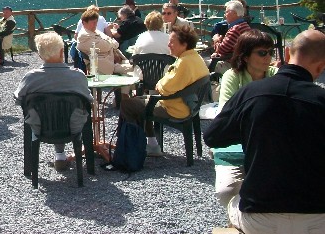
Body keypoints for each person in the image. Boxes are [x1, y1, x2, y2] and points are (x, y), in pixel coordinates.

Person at [204, 30, 325, 233]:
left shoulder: (250, 93)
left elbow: (213, 136)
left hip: (259, 218)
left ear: (286, 54)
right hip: (317, 218)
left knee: (230, 194)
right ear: (321, 67)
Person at [213, 30, 279, 208]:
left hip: (272, 146)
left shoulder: (276, 75)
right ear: (246, 56)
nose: (268, 57)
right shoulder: (232, 77)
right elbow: (224, 115)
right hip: (236, 145)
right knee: (227, 191)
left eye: (270, 52)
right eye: (262, 52)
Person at [119, 25, 209, 156]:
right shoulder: (195, 57)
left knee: (127, 104)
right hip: (190, 105)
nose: (169, 44)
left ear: (184, 44)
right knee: (137, 101)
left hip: (176, 108)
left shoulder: (184, 63)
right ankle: (148, 144)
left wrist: (159, 84)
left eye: (172, 41)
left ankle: (135, 149)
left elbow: (165, 89)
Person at [14, 32, 94, 171]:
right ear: (62, 51)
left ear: (40, 55)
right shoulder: (78, 76)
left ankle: (59, 156)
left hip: (41, 127)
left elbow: (18, 99)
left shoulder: (31, 78)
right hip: (73, 127)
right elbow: (88, 100)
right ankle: (66, 157)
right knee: (69, 112)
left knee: (50, 113)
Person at [76, 8, 131, 75]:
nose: (95, 25)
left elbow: (114, 43)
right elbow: (106, 46)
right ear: (84, 23)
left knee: (135, 65)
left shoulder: (95, 31)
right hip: (105, 68)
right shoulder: (84, 36)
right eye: (93, 23)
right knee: (134, 68)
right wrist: (111, 45)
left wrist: (111, 44)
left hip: (112, 61)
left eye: (96, 22)